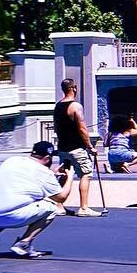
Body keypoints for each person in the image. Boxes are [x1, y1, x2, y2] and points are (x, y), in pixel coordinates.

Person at [0, 141, 72, 258]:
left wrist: (51, 176)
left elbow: (27, 178)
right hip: (6, 214)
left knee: (3, 201)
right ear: (47, 159)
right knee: (51, 207)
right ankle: (24, 243)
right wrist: (70, 177)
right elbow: (61, 198)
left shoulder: (12, 160)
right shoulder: (44, 173)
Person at [51, 78, 98, 215]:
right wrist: (90, 146)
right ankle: (84, 208)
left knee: (65, 174)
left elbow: (57, 127)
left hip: (63, 147)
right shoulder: (76, 106)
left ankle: (59, 205)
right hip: (76, 147)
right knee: (86, 173)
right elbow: (82, 128)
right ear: (74, 88)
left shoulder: (58, 106)